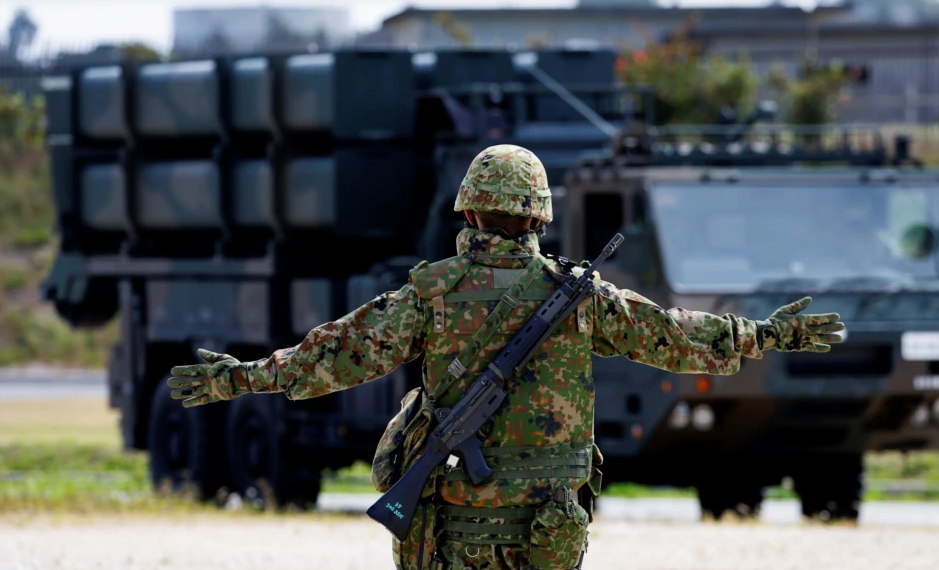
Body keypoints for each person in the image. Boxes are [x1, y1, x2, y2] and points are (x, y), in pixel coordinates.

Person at [167, 144, 845, 570]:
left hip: (451, 524)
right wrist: (768, 334)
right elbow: (674, 336)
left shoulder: (431, 293)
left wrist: (237, 380)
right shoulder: (576, 298)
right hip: (548, 528)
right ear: (540, 218)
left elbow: (333, 357)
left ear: (467, 215)